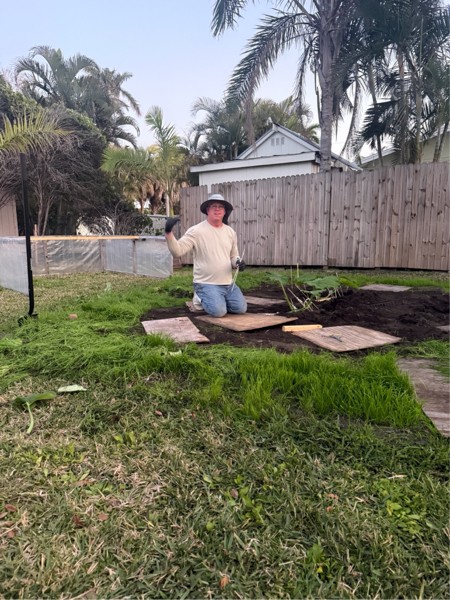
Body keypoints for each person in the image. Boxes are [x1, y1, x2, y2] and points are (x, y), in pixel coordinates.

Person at [164, 193, 247, 318]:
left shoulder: (230, 232)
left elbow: (233, 256)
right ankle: (199, 297)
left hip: (228, 283)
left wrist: (238, 263)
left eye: (220, 207)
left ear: (225, 211)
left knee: (240, 309)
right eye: (214, 206)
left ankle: (217, 299)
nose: (217, 209)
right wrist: (168, 233)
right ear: (207, 210)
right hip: (206, 283)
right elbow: (178, 251)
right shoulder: (196, 231)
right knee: (219, 312)